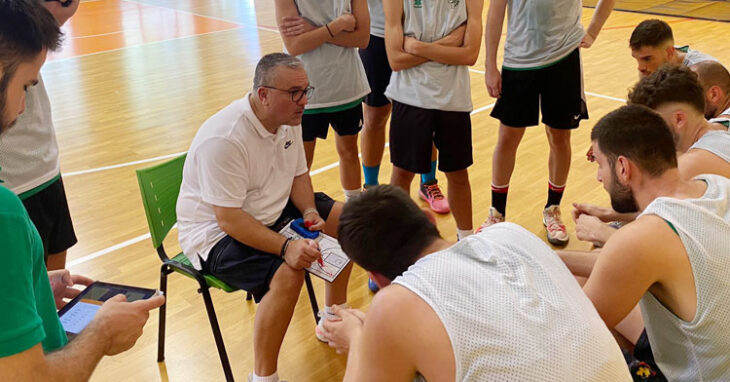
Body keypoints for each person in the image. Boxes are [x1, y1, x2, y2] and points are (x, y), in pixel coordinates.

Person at [0, 1, 164, 379]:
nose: (25, 106)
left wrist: (36, 289)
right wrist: (102, 332)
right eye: (25, 85)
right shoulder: (4, 213)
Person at [320, 185, 631, 381]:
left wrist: (358, 339)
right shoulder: (509, 232)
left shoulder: (394, 304)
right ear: (429, 219)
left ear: (376, 278)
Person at [176, 53, 353, 382]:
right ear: (263, 95)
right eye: (294, 93)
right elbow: (229, 219)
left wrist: (310, 211)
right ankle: (263, 377)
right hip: (216, 235)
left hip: (269, 206)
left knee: (347, 222)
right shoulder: (225, 139)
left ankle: (332, 321)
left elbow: (298, 175)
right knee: (290, 273)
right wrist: (287, 248)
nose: (303, 101)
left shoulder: (288, 120)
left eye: (306, 91)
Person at [562, 104, 730, 381]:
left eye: (600, 164)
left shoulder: (644, 238)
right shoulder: (713, 185)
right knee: (583, 276)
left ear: (623, 167)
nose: (599, 177)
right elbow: (619, 267)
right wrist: (556, 258)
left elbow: (574, 333)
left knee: (575, 337)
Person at [481, 0, 615, 246]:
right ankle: (496, 212)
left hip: (563, 57)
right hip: (519, 60)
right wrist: (490, 64)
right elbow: (496, 11)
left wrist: (594, 30)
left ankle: (553, 208)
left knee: (560, 137)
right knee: (507, 137)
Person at [573, 65, 730, 247]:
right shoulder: (716, 130)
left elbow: (654, 241)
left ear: (679, 119)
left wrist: (599, 231)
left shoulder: (692, 164)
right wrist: (607, 213)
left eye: (653, 122)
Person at [383, 0, 483, 241]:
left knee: (458, 174)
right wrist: (448, 44)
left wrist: (416, 46)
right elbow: (396, 59)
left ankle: (465, 240)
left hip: (453, 100)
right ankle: (397, 244)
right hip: (410, 97)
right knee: (402, 174)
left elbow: (469, 54)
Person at [0, 0, 80, 270]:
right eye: (24, 87)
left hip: (43, 167)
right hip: (13, 181)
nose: (23, 106)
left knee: (50, 284)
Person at [356, 0, 449, 214]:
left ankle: (428, 182)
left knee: (425, 113)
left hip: (420, 38)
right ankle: (370, 187)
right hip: (378, 37)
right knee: (374, 117)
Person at [275, 0, 369, 202]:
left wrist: (313, 31)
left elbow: (362, 38)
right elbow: (294, 45)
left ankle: (353, 210)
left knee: (349, 152)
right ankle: (300, 212)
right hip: (304, 93)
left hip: (346, 87)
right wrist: (336, 26)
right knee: (300, 163)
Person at [630, 19, 717, 78]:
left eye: (647, 59)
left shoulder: (702, 72)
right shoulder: (651, 69)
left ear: (670, 53)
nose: (640, 68)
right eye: (637, 59)